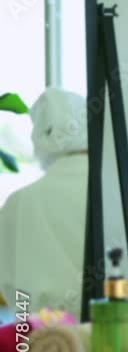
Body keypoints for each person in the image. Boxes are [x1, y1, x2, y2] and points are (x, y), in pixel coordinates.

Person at [0, 87, 89, 317]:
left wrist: (25, 328)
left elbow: (12, 289)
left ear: (39, 137)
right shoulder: (116, 193)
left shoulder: (18, 203)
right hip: (113, 330)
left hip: (38, 333)